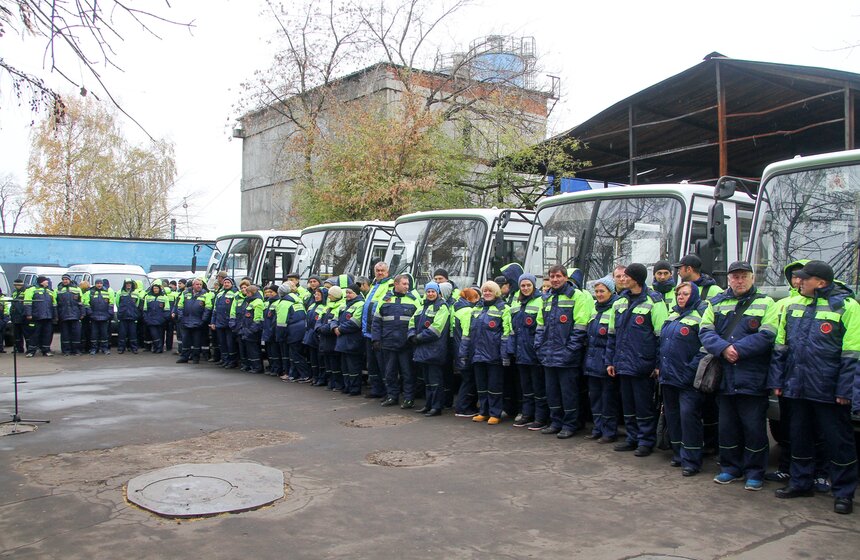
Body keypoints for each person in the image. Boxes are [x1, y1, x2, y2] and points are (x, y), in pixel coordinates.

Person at [769, 260, 858, 515]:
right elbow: (781, 347)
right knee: (799, 437)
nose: (798, 282)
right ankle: (801, 482)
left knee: (838, 442)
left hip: (828, 390)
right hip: (797, 387)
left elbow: (852, 354)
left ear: (820, 282)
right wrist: (777, 381)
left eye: (804, 279)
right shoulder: (794, 305)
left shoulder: (847, 306)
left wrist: (845, 390)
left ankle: (843, 493)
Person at [700, 260, 778, 491]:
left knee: (754, 428)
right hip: (725, 378)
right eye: (735, 277)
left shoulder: (766, 303)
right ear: (729, 279)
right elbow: (705, 331)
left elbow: (768, 335)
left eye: (744, 276)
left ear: (752, 278)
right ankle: (730, 468)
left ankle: (755, 472)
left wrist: (738, 350)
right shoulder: (716, 303)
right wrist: (724, 349)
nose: (739, 281)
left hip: (752, 377)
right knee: (727, 428)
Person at [606, 263, 668, 456]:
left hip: (643, 365)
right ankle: (632, 438)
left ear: (636, 279)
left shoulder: (654, 301)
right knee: (628, 405)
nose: (623, 279)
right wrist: (610, 361)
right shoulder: (619, 302)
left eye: (627, 276)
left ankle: (646, 441)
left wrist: (658, 365)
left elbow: (661, 336)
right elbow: (612, 335)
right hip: (623, 363)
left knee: (644, 406)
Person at [535, 265, 594, 437]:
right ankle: (556, 422)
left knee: (569, 393)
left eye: (558, 276)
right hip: (548, 355)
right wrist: (539, 348)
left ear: (566, 277)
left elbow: (580, 326)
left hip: (568, 356)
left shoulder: (577, 296)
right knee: (552, 392)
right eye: (552, 276)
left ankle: (570, 424)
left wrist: (570, 350)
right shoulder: (546, 298)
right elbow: (540, 326)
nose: (555, 280)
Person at [656, 281, 708, 476]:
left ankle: (692, 460)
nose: (681, 297)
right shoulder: (672, 316)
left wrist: (690, 370)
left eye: (685, 294)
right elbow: (662, 345)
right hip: (668, 377)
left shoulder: (700, 317)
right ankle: (678, 454)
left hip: (687, 379)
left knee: (689, 418)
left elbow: (705, 349)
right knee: (673, 417)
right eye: (679, 294)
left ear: (693, 296)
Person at [459, 280, 511, 425]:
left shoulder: (504, 309)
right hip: (477, 354)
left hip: (494, 355)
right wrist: (464, 352)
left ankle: (495, 413)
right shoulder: (476, 309)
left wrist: (504, 355)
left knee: (494, 386)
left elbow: (506, 334)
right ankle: (484, 411)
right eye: (485, 291)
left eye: (490, 291)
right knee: (481, 386)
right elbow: (467, 333)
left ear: (496, 292)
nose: (487, 293)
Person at [373, 274, 421, 408]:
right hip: (388, 342)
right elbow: (376, 321)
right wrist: (376, 339)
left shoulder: (414, 300)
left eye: (408, 284)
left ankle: (408, 399)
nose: (407, 286)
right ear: (396, 284)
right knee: (390, 373)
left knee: (408, 373)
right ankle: (392, 396)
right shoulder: (384, 299)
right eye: (404, 284)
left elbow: (418, 321)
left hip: (406, 344)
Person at [508, 273, 548, 430]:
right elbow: (512, 329)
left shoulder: (541, 300)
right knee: (525, 387)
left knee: (538, 387)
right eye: (522, 285)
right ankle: (527, 414)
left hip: (534, 352)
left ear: (534, 285)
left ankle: (540, 417)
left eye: (528, 285)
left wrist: (539, 349)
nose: (525, 288)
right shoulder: (516, 303)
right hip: (520, 352)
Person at [583, 276, 619, 443]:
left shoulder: (615, 309)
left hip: (606, 363)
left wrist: (609, 361)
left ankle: (609, 432)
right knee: (595, 398)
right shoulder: (595, 309)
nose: (598, 294)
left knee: (608, 400)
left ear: (611, 292)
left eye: (602, 291)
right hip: (592, 362)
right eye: (596, 291)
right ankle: (598, 428)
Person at [408, 281, 450, 416]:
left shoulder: (442, 307)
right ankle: (428, 405)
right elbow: (411, 322)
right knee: (427, 380)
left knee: (435, 380)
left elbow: (436, 329)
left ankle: (436, 407)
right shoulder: (422, 306)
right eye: (428, 291)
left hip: (434, 349)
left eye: (433, 291)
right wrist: (411, 335)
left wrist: (418, 338)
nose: (430, 294)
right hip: (422, 349)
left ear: (438, 292)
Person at [362, 262, 393, 399]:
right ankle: (376, 389)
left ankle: (388, 391)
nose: (380, 273)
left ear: (387, 272)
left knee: (383, 364)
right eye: (378, 270)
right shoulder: (374, 285)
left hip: (379, 332)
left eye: (382, 270)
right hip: (368, 331)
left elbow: (383, 307)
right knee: (372, 363)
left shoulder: (390, 285)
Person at [452, 287, 480, 417]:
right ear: (469, 298)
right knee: (468, 380)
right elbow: (467, 333)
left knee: (466, 379)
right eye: (476, 298)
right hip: (465, 351)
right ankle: (463, 408)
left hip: (458, 348)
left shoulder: (457, 309)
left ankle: (464, 406)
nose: (478, 300)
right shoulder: (468, 311)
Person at [334, 284, 365, 395]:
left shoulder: (360, 304)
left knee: (353, 366)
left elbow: (355, 323)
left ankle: (354, 388)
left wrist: (340, 329)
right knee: (345, 366)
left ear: (356, 293)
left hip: (353, 341)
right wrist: (334, 327)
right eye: (346, 292)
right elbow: (335, 318)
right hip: (343, 340)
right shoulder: (344, 305)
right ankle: (347, 386)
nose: (347, 295)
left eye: (350, 293)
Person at [278, 282, 309, 382]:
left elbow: (281, 323)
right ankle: (294, 375)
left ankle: (304, 375)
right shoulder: (298, 300)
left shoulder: (284, 303)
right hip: (302, 329)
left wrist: (280, 336)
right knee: (297, 354)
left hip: (293, 331)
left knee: (296, 355)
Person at [176, 278, 212, 364]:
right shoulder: (185, 293)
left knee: (197, 342)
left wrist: (203, 319)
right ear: (193, 285)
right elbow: (180, 305)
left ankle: (196, 358)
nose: (199, 286)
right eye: (197, 284)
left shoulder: (206, 294)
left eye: (200, 284)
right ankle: (184, 357)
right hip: (185, 321)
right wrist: (181, 317)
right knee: (185, 341)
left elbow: (208, 308)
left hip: (198, 322)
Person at [318, 285, 345, 391]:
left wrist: (322, 329)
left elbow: (334, 323)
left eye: (330, 295)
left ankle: (338, 384)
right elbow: (319, 319)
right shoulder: (328, 306)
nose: (328, 296)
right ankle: (331, 383)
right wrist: (319, 328)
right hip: (325, 340)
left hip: (332, 340)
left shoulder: (340, 306)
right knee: (328, 363)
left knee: (335, 364)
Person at [23, 275, 57, 357]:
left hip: (48, 317)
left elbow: (54, 305)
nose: (47, 282)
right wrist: (29, 314)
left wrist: (55, 316)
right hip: (36, 316)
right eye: (46, 281)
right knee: (34, 334)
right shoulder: (31, 290)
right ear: (41, 282)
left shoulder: (50, 291)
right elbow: (27, 303)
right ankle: (31, 351)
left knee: (47, 334)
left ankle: (46, 351)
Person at [211, 277, 238, 368]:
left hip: (229, 323)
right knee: (222, 343)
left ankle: (232, 361)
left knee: (230, 343)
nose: (226, 284)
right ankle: (224, 360)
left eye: (228, 282)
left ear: (232, 284)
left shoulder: (235, 293)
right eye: (225, 282)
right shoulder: (220, 294)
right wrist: (213, 322)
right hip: (219, 322)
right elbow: (215, 309)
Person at [237, 284, 264, 373]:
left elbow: (257, 319)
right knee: (250, 350)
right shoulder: (250, 301)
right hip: (247, 329)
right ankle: (252, 366)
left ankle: (257, 367)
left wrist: (251, 330)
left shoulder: (258, 302)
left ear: (252, 293)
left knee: (254, 350)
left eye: (248, 293)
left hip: (253, 331)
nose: (246, 294)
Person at [303, 287, 328, 385]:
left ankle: (322, 378)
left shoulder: (325, 306)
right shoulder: (312, 305)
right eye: (315, 294)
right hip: (310, 335)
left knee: (320, 359)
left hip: (318, 336)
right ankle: (315, 377)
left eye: (318, 295)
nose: (316, 296)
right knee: (313, 358)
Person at [55, 273, 84, 356]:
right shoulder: (57, 290)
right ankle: (66, 351)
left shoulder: (77, 289)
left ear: (70, 280)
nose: (65, 281)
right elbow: (55, 304)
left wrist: (82, 313)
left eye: (66, 279)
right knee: (65, 334)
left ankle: (76, 350)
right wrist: (56, 315)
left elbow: (81, 303)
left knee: (76, 334)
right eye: (63, 279)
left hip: (75, 315)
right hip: (63, 315)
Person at [83, 278, 113, 355]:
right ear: (95, 284)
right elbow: (86, 303)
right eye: (97, 283)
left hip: (104, 317)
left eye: (100, 283)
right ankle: (94, 349)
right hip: (94, 317)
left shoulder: (107, 292)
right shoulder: (90, 292)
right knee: (94, 334)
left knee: (104, 334)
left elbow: (111, 303)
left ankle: (104, 348)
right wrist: (90, 313)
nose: (99, 285)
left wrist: (109, 314)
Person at [142, 281, 171, 353]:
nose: (155, 290)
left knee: (160, 335)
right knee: (154, 334)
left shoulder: (164, 297)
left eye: (157, 288)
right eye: (154, 288)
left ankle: (158, 348)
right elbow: (145, 309)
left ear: (159, 289)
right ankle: (158, 347)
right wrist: (146, 318)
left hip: (160, 320)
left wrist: (164, 319)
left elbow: (167, 309)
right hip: (150, 319)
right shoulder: (147, 297)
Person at [261, 284, 283, 376]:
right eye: (268, 292)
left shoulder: (277, 302)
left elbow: (275, 320)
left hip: (273, 331)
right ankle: (272, 367)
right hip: (267, 330)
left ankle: (277, 369)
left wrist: (272, 330)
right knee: (269, 352)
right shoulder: (268, 302)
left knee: (275, 352)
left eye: (271, 292)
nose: (269, 294)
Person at [115, 278, 141, 354]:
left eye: (130, 283)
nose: (128, 285)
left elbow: (137, 304)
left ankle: (134, 348)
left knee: (133, 334)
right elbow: (117, 303)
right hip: (123, 316)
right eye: (127, 283)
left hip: (132, 316)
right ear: (124, 284)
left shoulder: (136, 293)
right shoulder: (120, 293)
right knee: (122, 334)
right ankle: (121, 348)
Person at [10, 278, 28, 353]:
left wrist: (25, 313)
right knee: (17, 335)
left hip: (23, 316)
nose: (16, 286)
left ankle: (29, 349)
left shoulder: (26, 291)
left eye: (17, 285)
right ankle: (19, 349)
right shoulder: (14, 292)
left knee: (26, 334)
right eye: (15, 285)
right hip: (15, 316)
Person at [78, 280, 92, 353]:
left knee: (83, 332)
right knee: (87, 332)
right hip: (87, 314)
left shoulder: (85, 292)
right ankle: (86, 347)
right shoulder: (89, 292)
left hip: (84, 314)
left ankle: (84, 347)